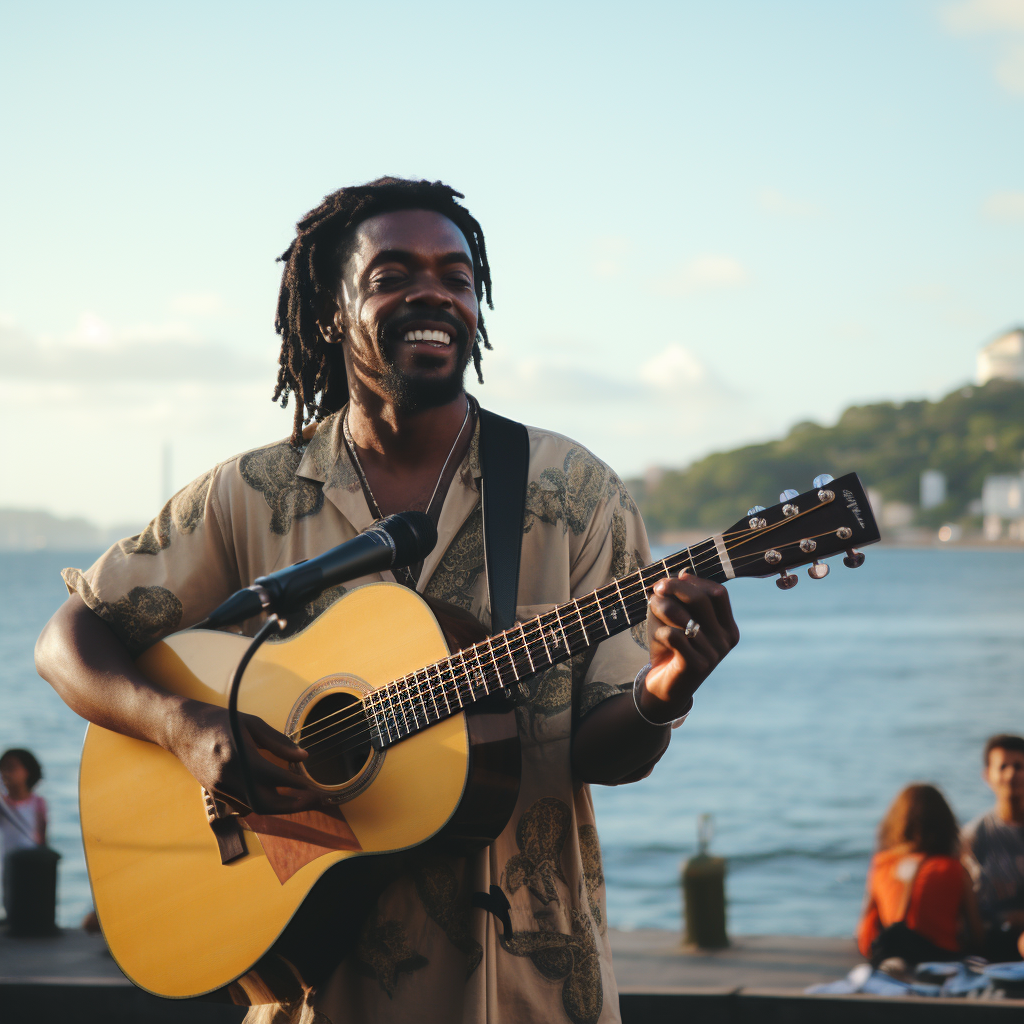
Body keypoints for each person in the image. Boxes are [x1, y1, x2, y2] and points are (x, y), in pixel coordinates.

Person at [35, 177, 740, 1024]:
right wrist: (185, 728)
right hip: (313, 990)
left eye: (456, 275)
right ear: (332, 310)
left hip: (520, 994)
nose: (432, 293)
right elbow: (69, 640)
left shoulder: (573, 494)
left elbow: (606, 754)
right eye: (392, 274)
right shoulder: (250, 496)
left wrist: (667, 688)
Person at [857, 783, 981, 965]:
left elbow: (865, 936)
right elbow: (977, 935)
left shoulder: (882, 864)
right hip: (942, 960)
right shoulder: (954, 869)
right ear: (945, 824)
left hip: (893, 956)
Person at [963, 734, 1024, 962]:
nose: (1011, 775)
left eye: (1019, 767)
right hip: (992, 942)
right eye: (1003, 767)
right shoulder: (973, 836)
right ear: (987, 776)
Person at [0, 748, 48, 915]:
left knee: (32, 897)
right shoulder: (3, 804)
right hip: (8, 861)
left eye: (11, 768)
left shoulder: (38, 803)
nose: (5, 773)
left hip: (32, 861)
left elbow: (42, 836)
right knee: (10, 897)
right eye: (2, 768)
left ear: (27, 771)